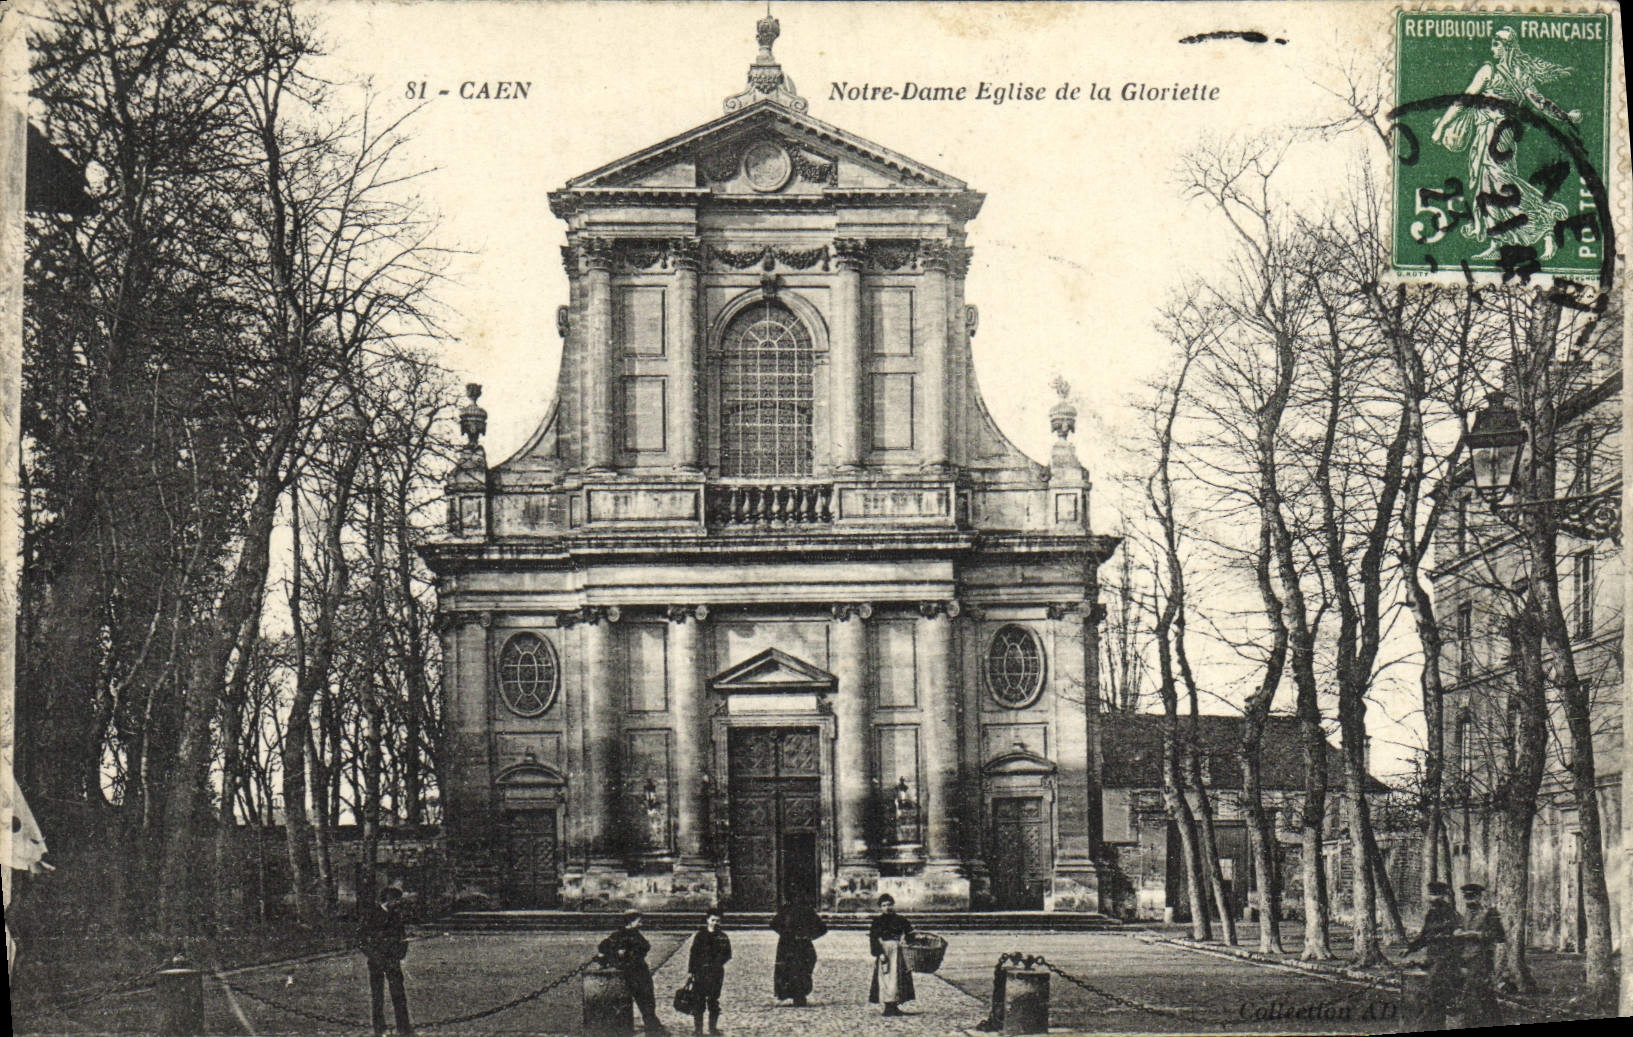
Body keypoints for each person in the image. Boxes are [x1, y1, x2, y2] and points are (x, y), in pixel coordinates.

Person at [1430, 26, 1580, 260]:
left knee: (1502, 186)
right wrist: (1442, 126)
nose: (1493, 49)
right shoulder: (1503, 72)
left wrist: (1566, 116)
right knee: (1484, 187)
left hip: (1500, 135)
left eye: (1497, 44)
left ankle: (1546, 223)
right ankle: (1497, 242)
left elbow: (1540, 103)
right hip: (1487, 134)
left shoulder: (1503, 73)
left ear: (1508, 47)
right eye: (1492, 44)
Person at [1404, 881, 1463, 1030]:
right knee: (1433, 996)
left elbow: (1456, 937)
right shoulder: (1430, 914)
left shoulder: (1450, 913)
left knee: (1433, 995)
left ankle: (1426, 1026)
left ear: (1443, 896)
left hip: (1445, 960)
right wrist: (1410, 948)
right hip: (1432, 959)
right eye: (1431, 895)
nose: (1433, 898)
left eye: (1436, 895)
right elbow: (1424, 936)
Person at [357, 886, 413, 1037]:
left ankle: (404, 1027)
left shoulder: (396, 916)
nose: (398, 903)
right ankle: (379, 1028)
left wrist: (400, 953)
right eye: (395, 900)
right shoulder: (371, 915)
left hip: (393, 960)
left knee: (399, 995)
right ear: (387, 900)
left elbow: (402, 937)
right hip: (377, 961)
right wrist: (375, 956)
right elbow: (361, 941)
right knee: (378, 996)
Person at [600, 910, 667, 1034]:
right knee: (646, 1001)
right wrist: (618, 953)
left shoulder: (628, 934)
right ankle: (652, 1028)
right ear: (630, 922)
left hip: (637, 971)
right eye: (638, 921)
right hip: (636, 973)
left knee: (646, 1002)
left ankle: (652, 1025)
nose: (641, 923)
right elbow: (603, 947)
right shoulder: (624, 935)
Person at [1456, 882, 1506, 1028]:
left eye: (1471, 897)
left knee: (1474, 991)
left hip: (1482, 958)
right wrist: (1458, 931)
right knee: (1483, 993)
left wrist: (1477, 934)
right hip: (1466, 957)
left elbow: (1499, 935)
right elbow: (1462, 928)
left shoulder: (1489, 913)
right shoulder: (1465, 914)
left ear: (1479, 897)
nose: (1468, 901)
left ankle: (1474, 1022)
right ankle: (1492, 1021)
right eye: (1466, 897)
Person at [770, 895, 827, 1006]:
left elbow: (822, 928)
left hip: (795, 945)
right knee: (794, 969)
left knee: (800, 968)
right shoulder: (788, 910)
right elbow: (774, 924)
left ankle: (798, 993)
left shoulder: (804, 911)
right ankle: (797, 994)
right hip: (793, 945)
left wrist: (808, 936)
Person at [867, 894, 915, 1017]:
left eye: (889, 905)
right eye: (884, 905)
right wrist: (879, 953)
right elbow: (873, 938)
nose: (887, 908)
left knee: (897, 978)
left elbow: (910, 933)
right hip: (885, 952)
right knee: (886, 978)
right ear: (880, 907)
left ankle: (895, 1005)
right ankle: (888, 1006)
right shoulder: (877, 922)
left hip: (898, 951)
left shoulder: (901, 920)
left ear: (893, 905)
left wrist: (906, 941)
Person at [686, 909, 732, 1036]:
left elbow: (728, 954)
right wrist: (691, 971)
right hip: (700, 972)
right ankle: (698, 1029)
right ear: (707, 920)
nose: (715, 923)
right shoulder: (700, 936)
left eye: (718, 921)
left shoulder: (723, 936)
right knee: (698, 1000)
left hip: (716, 972)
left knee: (713, 999)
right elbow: (693, 953)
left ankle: (713, 1028)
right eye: (712, 920)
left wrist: (717, 963)